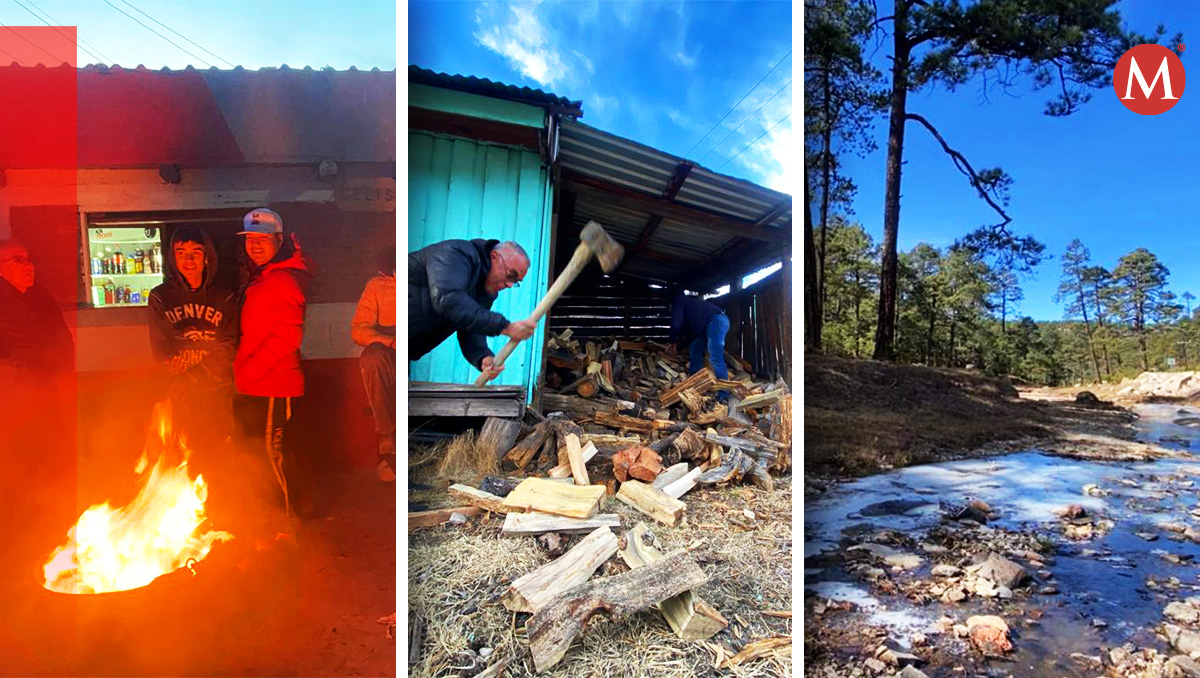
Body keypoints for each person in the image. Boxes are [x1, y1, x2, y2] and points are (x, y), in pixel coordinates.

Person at [233, 208, 311, 517]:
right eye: (250, 238)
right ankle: (268, 518)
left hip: (273, 386)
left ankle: (283, 525)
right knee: (261, 456)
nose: (254, 245)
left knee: (272, 457)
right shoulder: (263, 277)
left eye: (262, 239)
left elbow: (287, 340)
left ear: (279, 241)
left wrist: (246, 371)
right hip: (257, 384)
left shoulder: (283, 281)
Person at [147, 225, 238, 447]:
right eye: (181, 253)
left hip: (216, 394)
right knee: (182, 459)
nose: (189, 260)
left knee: (218, 459)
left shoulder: (225, 296)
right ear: (173, 258)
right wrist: (169, 364)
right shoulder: (160, 297)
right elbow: (160, 345)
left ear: (207, 257)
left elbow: (229, 344)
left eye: (195, 253)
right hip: (179, 395)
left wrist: (199, 374)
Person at [408, 238, 537, 383]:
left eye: (515, 282)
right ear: (494, 257)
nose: (509, 284)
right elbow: (448, 300)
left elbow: (471, 327)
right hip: (379, 335)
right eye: (510, 275)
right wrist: (505, 327)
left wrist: (483, 358)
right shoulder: (456, 254)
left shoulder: (485, 290)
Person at [351, 246, 397, 482]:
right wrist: (389, 341)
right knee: (372, 358)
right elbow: (358, 330)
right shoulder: (378, 286)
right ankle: (386, 434)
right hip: (389, 352)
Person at [0, 238, 74, 378]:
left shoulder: (42, 298)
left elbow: (62, 336)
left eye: (29, 260)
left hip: (52, 383)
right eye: (18, 261)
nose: (27, 266)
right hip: (15, 388)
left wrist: (65, 370)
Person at [668, 291, 731, 396]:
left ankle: (723, 394)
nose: (671, 313)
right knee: (695, 347)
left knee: (715, 357)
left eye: (670, 310)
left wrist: (671, 342)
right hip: (712, 324)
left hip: (716, 322)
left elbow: (676, 325)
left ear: (670, 305)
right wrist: (677, 347)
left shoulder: (678, 301)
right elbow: (691, 337)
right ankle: (695, 382)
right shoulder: (691, 311)